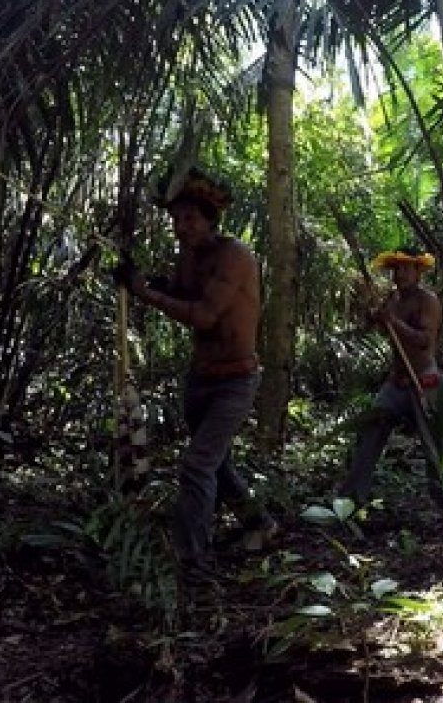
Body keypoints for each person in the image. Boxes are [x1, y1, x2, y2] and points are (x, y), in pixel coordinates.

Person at [113, 165, 276, 586]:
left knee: (196, 464)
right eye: (176, 220)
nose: (181, 228)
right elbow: (183, 294)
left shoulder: (234, 256)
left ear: (209, 220)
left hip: (236, 381)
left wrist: (147, 293)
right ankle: (259, 522)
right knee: (214, 462)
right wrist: (141, 280)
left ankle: (192, 559)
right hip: (201, 378)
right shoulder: (190, 257)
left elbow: (203, 315)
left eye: (189, 219)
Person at [338, 246, 443, 508]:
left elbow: (424, 341)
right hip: (396, 381)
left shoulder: (427, 301)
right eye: (396, 269)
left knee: (432, 442)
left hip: (423, 379)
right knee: (371, 432)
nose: (400, 273)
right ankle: (351, 498)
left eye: (406, 268)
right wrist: (376, 318)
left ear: (418, 271)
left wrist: (394, 322)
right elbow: (383, 330)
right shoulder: (392, 300)